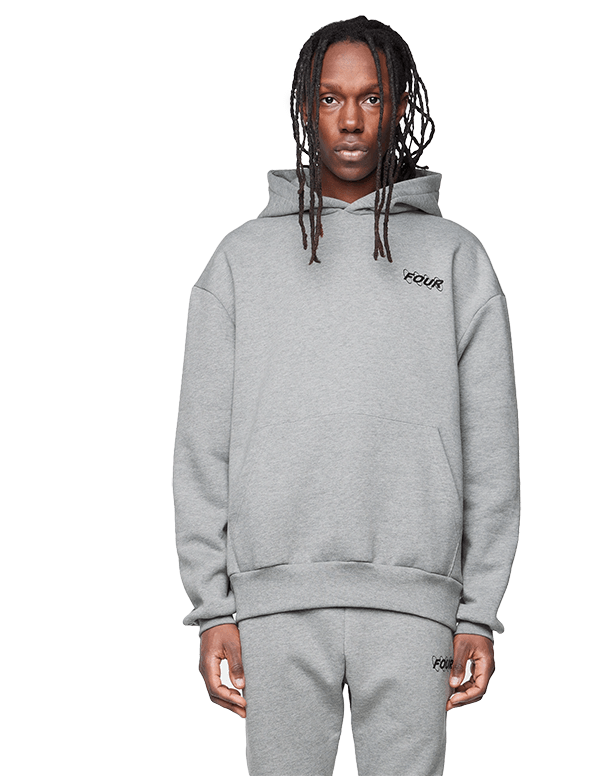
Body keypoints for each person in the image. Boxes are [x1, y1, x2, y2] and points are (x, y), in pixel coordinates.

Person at [173, 15, 520, 776]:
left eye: (372, 97)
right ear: (305, 107)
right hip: (271, 609)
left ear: (400, 107)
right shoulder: (239, 260)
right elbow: (200, 450)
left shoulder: (456, 258)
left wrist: (477, 614)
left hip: (419, 612)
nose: (353, 120)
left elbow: (492, 453)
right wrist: (213, 610)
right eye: (331, 98)